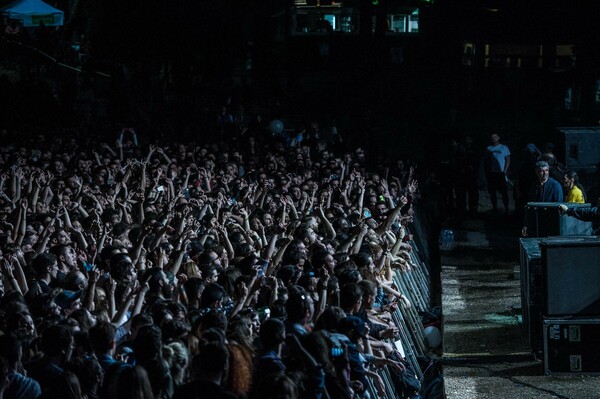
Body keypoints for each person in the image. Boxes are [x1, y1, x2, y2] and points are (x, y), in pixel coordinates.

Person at [521, 161, 564, 236]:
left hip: (550, 223)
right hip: (537, 223)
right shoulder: (534, 186)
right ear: (536, 172)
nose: (545, 173)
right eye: (542, 171)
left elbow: (559, 207)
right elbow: (529, 206)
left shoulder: (555, 185)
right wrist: (526, 224)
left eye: (546, 170)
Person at [484, 133, 511, 213]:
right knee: (493, 192)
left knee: (504, 192)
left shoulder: (504, 147)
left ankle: (506, 209)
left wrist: (505, 171)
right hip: (492, 174)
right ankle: (495, 208)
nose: (494, 138)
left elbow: (508, 159)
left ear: (498, 138)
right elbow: (486, 161)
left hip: (501, 173)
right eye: (492, 137)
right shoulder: (489, 148)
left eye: (495, 137)